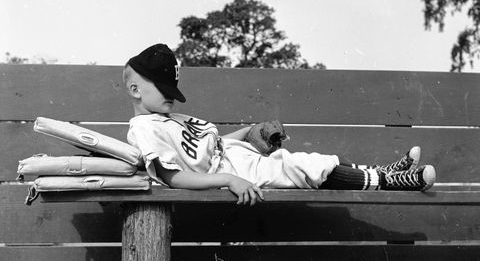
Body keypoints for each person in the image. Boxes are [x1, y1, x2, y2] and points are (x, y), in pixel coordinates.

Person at [123, 44, 436, 205]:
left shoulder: (169, 117)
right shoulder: (144, 128)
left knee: (306, 163)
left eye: (172, 91)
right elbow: (172, 177)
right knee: (303, 166)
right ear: (136, 89)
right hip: (230, 172)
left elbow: (213, 145)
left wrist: (249, 133)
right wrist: (229, 180)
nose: (170, 97)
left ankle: (387, 173)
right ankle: (390, 179)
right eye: (163, 90)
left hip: (233, 156)